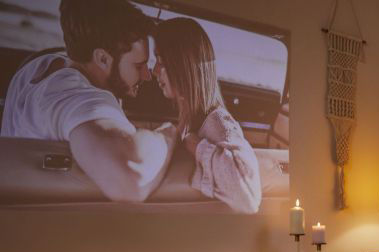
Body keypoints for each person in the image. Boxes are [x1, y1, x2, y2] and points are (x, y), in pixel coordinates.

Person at [1, 0, 176, 203]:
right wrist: (168, 134)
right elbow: (130, 181)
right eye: (139, 66)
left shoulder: (39, 65)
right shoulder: (81, 98)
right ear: (102, 59)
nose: (147, 76)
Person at [152, 17, 261, 214]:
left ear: (182, 66)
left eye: (160, 62)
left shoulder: (218, 121)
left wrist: (198, 148)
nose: (154, 71)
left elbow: (248, 198)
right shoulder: (190, 117)